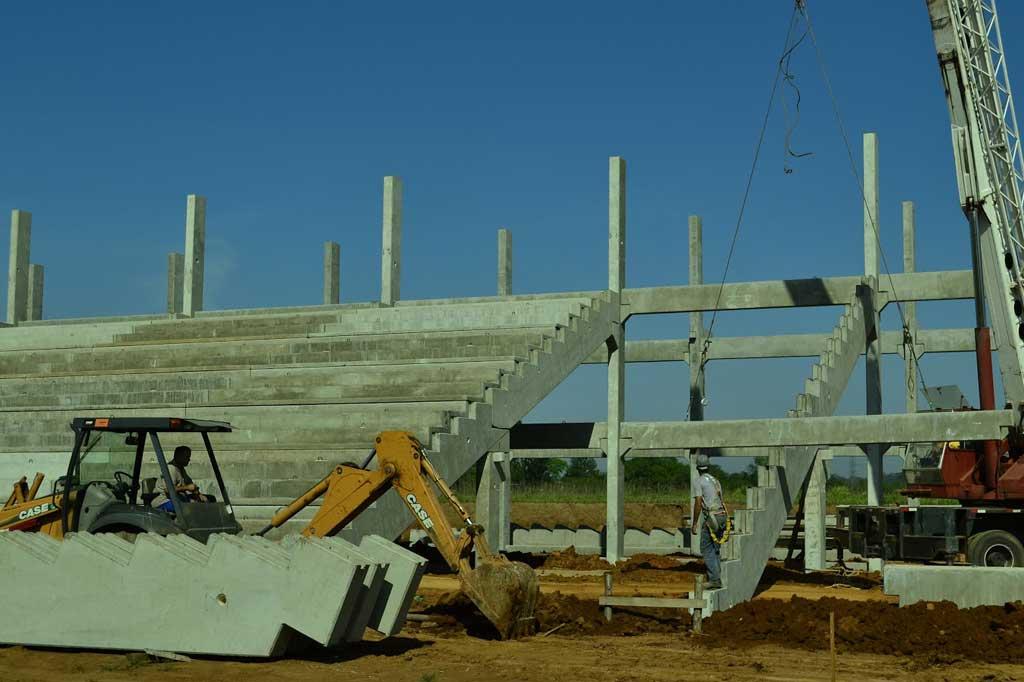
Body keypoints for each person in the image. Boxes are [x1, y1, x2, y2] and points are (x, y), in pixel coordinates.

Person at [691, 453, 728, 590]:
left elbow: (699, 502)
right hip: (722, 515)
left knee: (706, 548)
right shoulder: (716, 480)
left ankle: (714, 579)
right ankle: (717, 577)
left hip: (712, 517)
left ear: (698, 468)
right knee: (715, 548)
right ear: (708, 467)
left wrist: (695, 523)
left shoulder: (699, 481)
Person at [151, 445, 209, 511]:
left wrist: (199, 494)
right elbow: (168, 490)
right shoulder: (171, 469)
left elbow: (189, 483)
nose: (189, 459)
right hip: (164, 501)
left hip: (177, 499)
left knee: (207, 500)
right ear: (180, 456)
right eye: (187, 457)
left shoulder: (180, 469)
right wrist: (187, 488)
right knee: (189, 508)